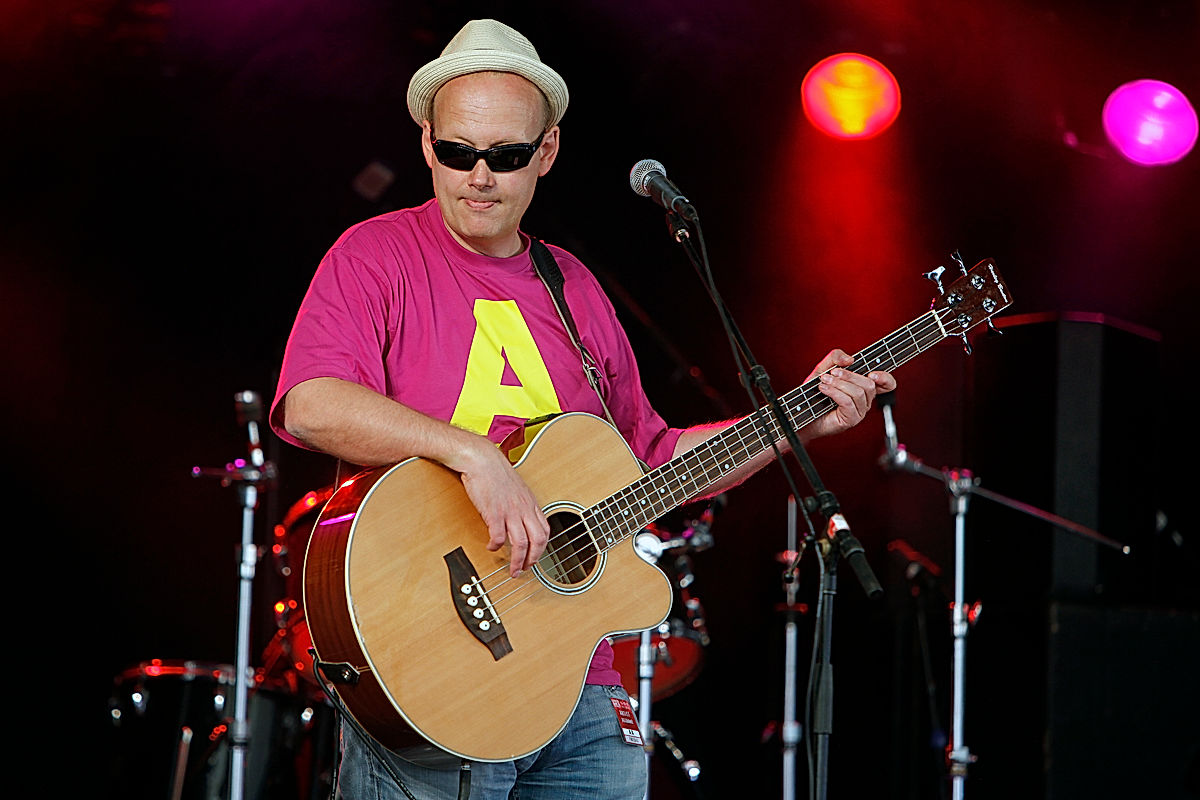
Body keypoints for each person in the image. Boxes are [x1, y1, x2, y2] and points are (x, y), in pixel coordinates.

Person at [269, 17, 895, 800]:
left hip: (583, 681)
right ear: (428, 144)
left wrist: (797, 418)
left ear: (548, 152)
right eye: (458, 152)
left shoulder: (576, 290)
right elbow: (310, 404)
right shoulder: (374, 255)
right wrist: (476, 456)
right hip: (432, 668)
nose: (480, 176)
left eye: (506, 155)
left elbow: (657, 460)